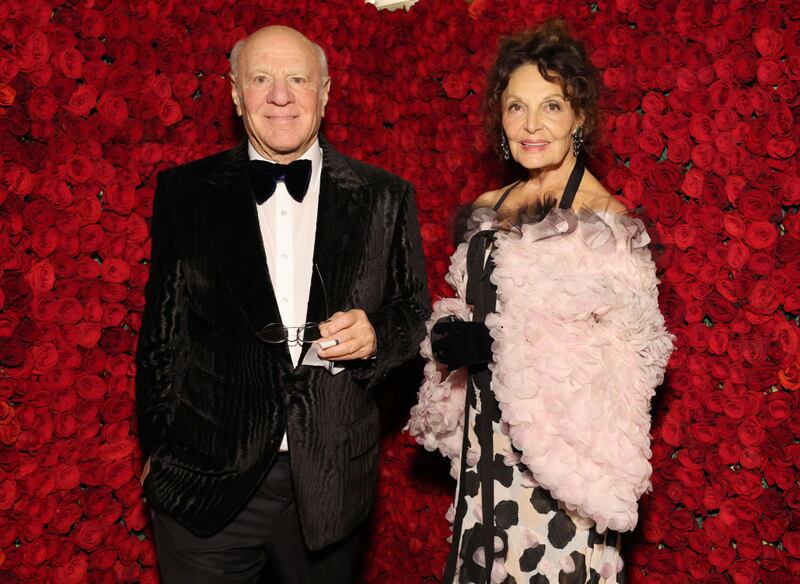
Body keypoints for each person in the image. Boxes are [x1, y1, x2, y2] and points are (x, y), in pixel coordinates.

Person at [135, 25, 430, 583]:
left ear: (324, 92)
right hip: (204, 486)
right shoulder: (186, 192)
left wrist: (377, 336)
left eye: (297, 79)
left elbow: (414, 315)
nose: (280, 95)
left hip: (328, 486)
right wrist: (156, 454)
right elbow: (162, 333)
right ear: (234, 92)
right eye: (261, 79)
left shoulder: (384, 196)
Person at [408, 21, 673, 584]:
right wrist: (447, 337)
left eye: (551, 106)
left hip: (557, 458)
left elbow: (639, 358)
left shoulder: (608, 219)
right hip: (484, 443)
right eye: (517, 107)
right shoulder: (489, 204)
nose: (532, 125)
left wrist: (504, 349)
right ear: (499, 119)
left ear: (579, 117)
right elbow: (470, 304)